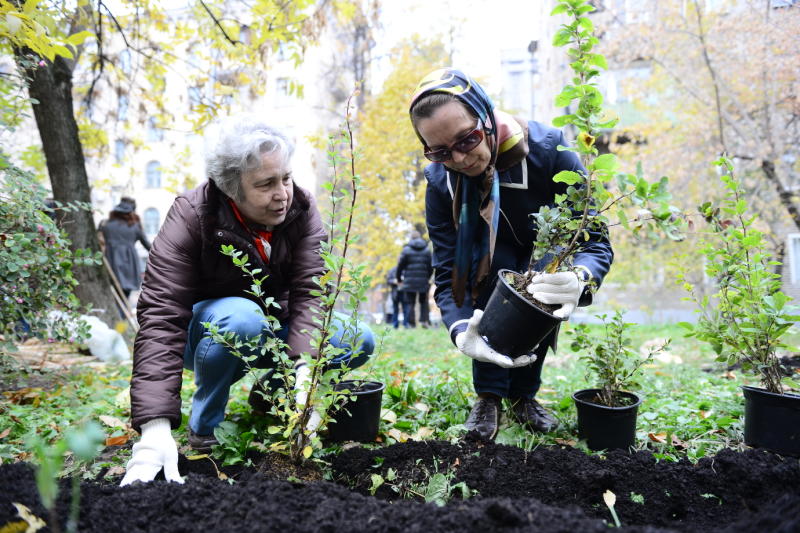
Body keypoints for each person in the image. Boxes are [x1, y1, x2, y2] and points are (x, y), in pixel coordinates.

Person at [121, 118, 375, 486]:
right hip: (208, 334)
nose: (283, 193)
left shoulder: (301, 209)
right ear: (230, 190)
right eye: (265, 184)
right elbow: (162, 315)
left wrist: (304, 370)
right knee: (243, 318)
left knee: (356, 338)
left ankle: (273, 393)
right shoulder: (193, 215)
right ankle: (205, 426)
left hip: (273, 326)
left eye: (285, 178)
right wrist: (154, 427)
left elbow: (311, 291)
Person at [408, 68, 613, 440]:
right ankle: (488, 396)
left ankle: (522, 395)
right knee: (492, 269)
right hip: (486, 258)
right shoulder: (440, 182)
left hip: (546, 249)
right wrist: (459, 331)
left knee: (539, 282)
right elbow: (446, 270)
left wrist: (580, 278)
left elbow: (594, 241)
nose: (459, 159)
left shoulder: (550, 152)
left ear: (485, 117)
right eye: (440, 151)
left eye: (467, 139)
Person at [99, 201, 151, 300]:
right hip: (129, 262)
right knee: (125, 291)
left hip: (111, 259)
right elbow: (147, 245)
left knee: (113, 288)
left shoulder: (105, 225)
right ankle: (121, 313)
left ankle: (119, 312)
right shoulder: (134, 226)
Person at [395, 231, 433, 328]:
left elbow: (400, 266)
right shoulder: (427, 250)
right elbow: (431, 266)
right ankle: (424, 321)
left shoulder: (406, 250)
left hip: (409, 281)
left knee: (410, 302)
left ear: (411, 239)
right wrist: (427, 277)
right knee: (423, 302)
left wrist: (399, 278)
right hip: (423, 281)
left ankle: (412, 324)